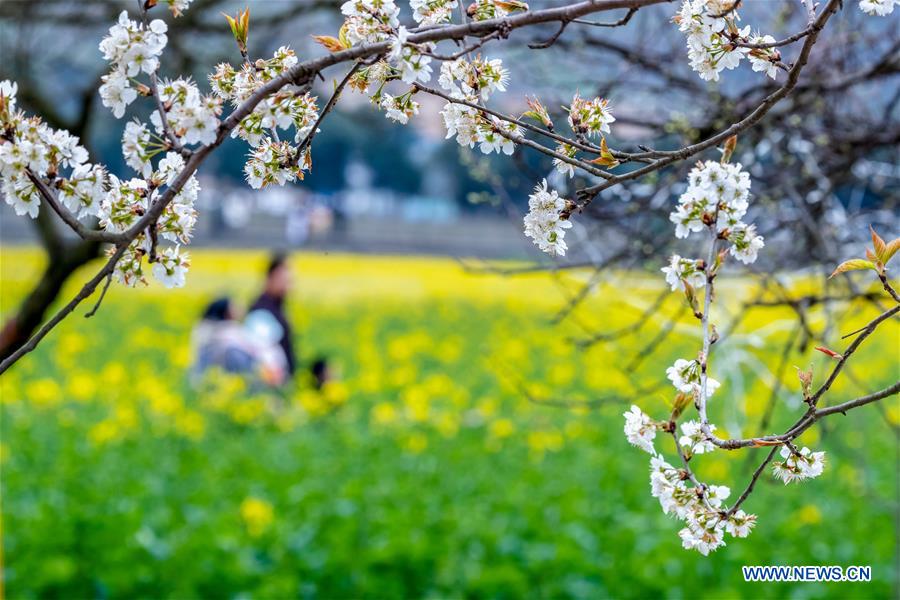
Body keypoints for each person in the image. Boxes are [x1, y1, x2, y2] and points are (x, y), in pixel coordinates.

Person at [190, 297, 288, 386]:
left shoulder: (204, 332)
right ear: (226, 312)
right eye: (234, 306)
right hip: (231, 385)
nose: (240, 309)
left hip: (205, 384)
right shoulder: (230, 336)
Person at [248, 253, 297, 378]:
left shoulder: (278, 307)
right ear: (270, 277)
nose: (288, 286)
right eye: (284, 280)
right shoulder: (261, 310)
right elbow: (261, 353)